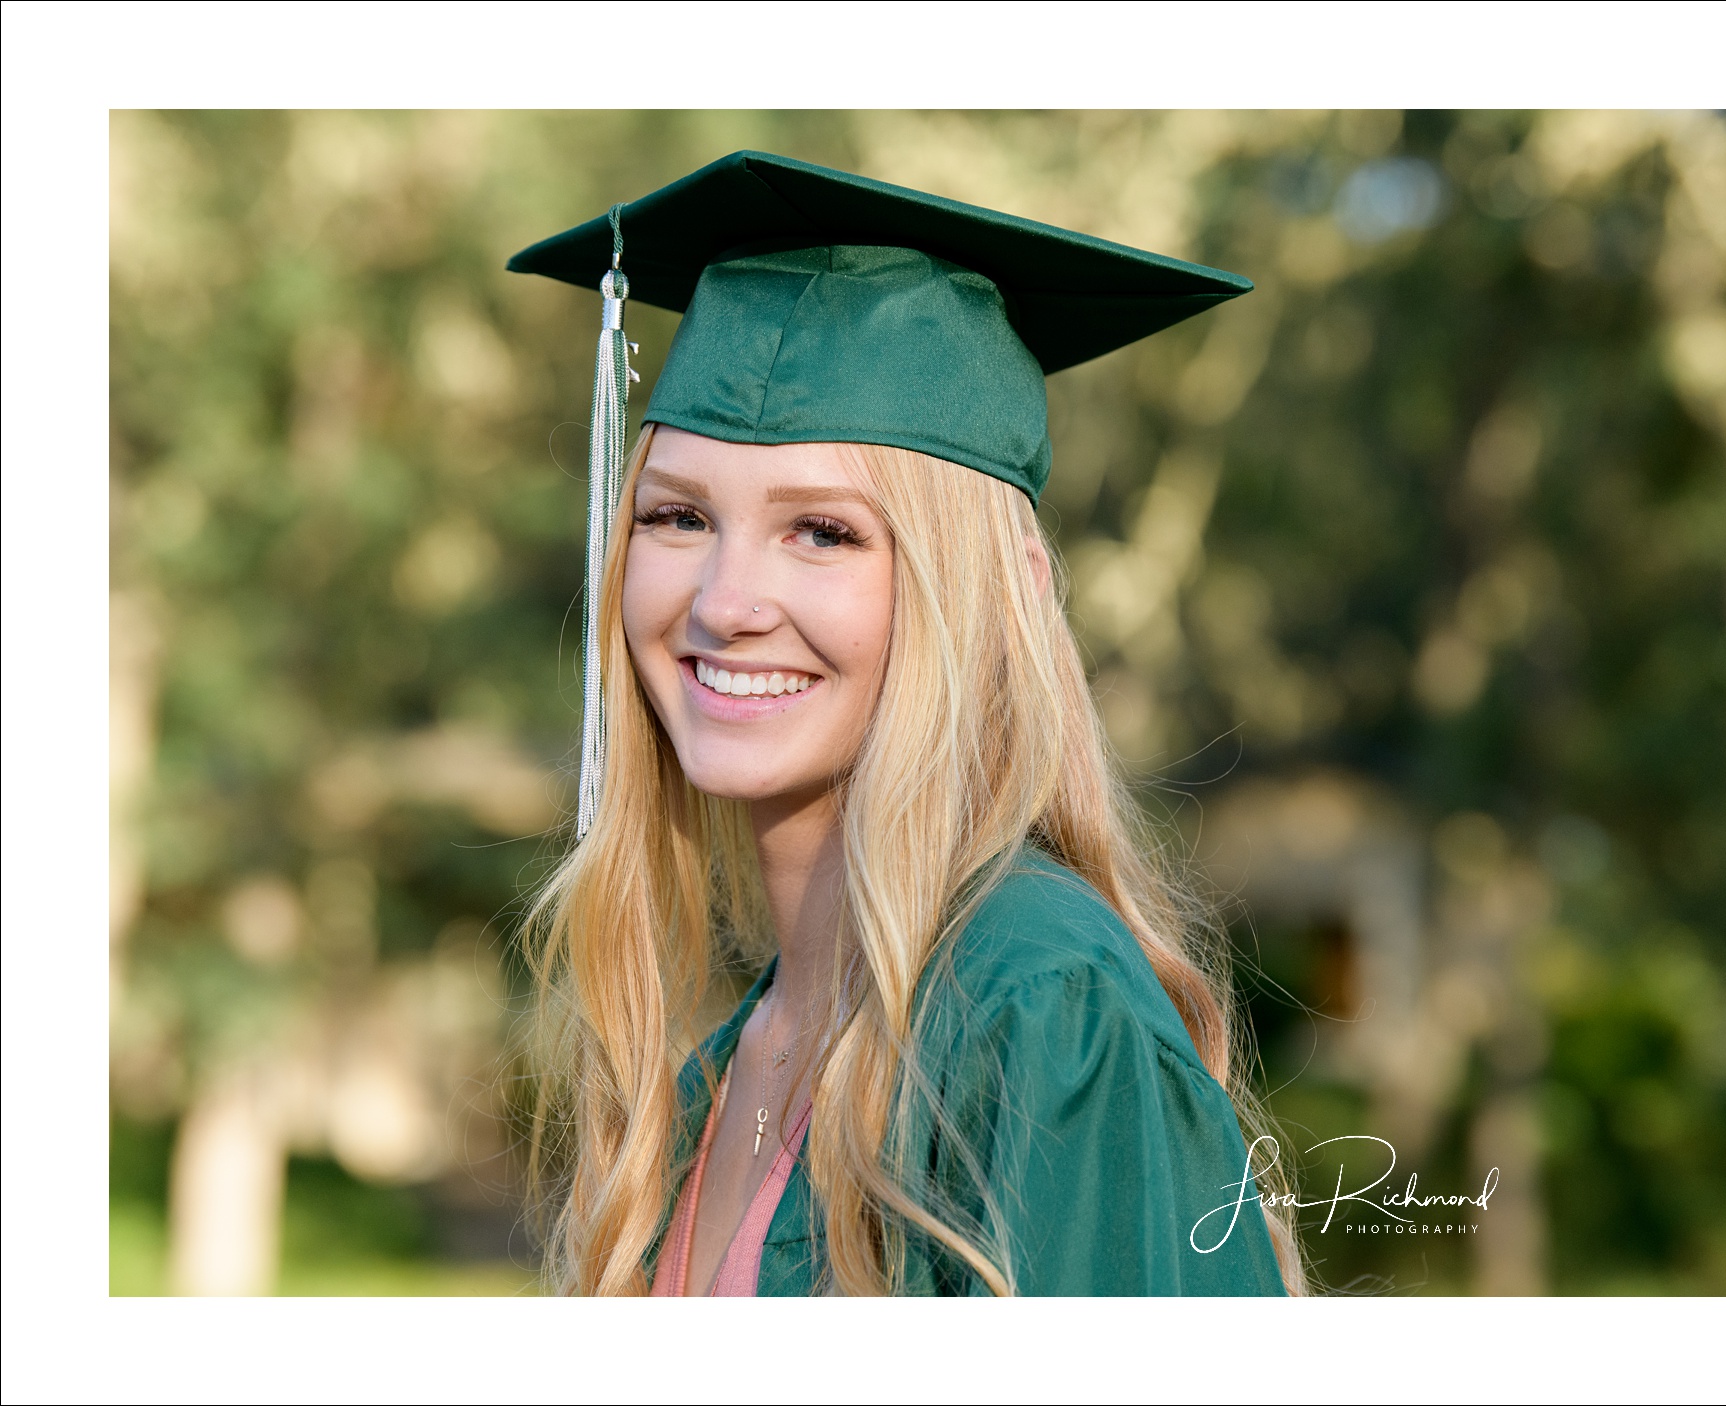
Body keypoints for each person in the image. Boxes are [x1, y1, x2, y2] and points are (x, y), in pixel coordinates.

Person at [510, 151, 1300, 1296]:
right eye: (677, 515)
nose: (724, 602)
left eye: (823, 532)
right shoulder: (722, 1070)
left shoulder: (1033, 1008)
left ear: (995, 590)